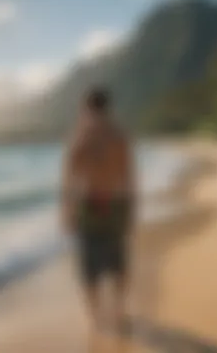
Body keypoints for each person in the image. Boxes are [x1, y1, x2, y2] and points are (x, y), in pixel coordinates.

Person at [61, 87, 136, 334]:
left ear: (85, 108)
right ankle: (119, 311)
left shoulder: (79, 137)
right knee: (118, 262)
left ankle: (95, 318)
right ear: (108, 107)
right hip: (115, 203)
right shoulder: (120, 136)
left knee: (89, 268)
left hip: (89, 205)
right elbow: (129, 177)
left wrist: (67, 212)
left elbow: (69, 181)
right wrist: (131, 210)